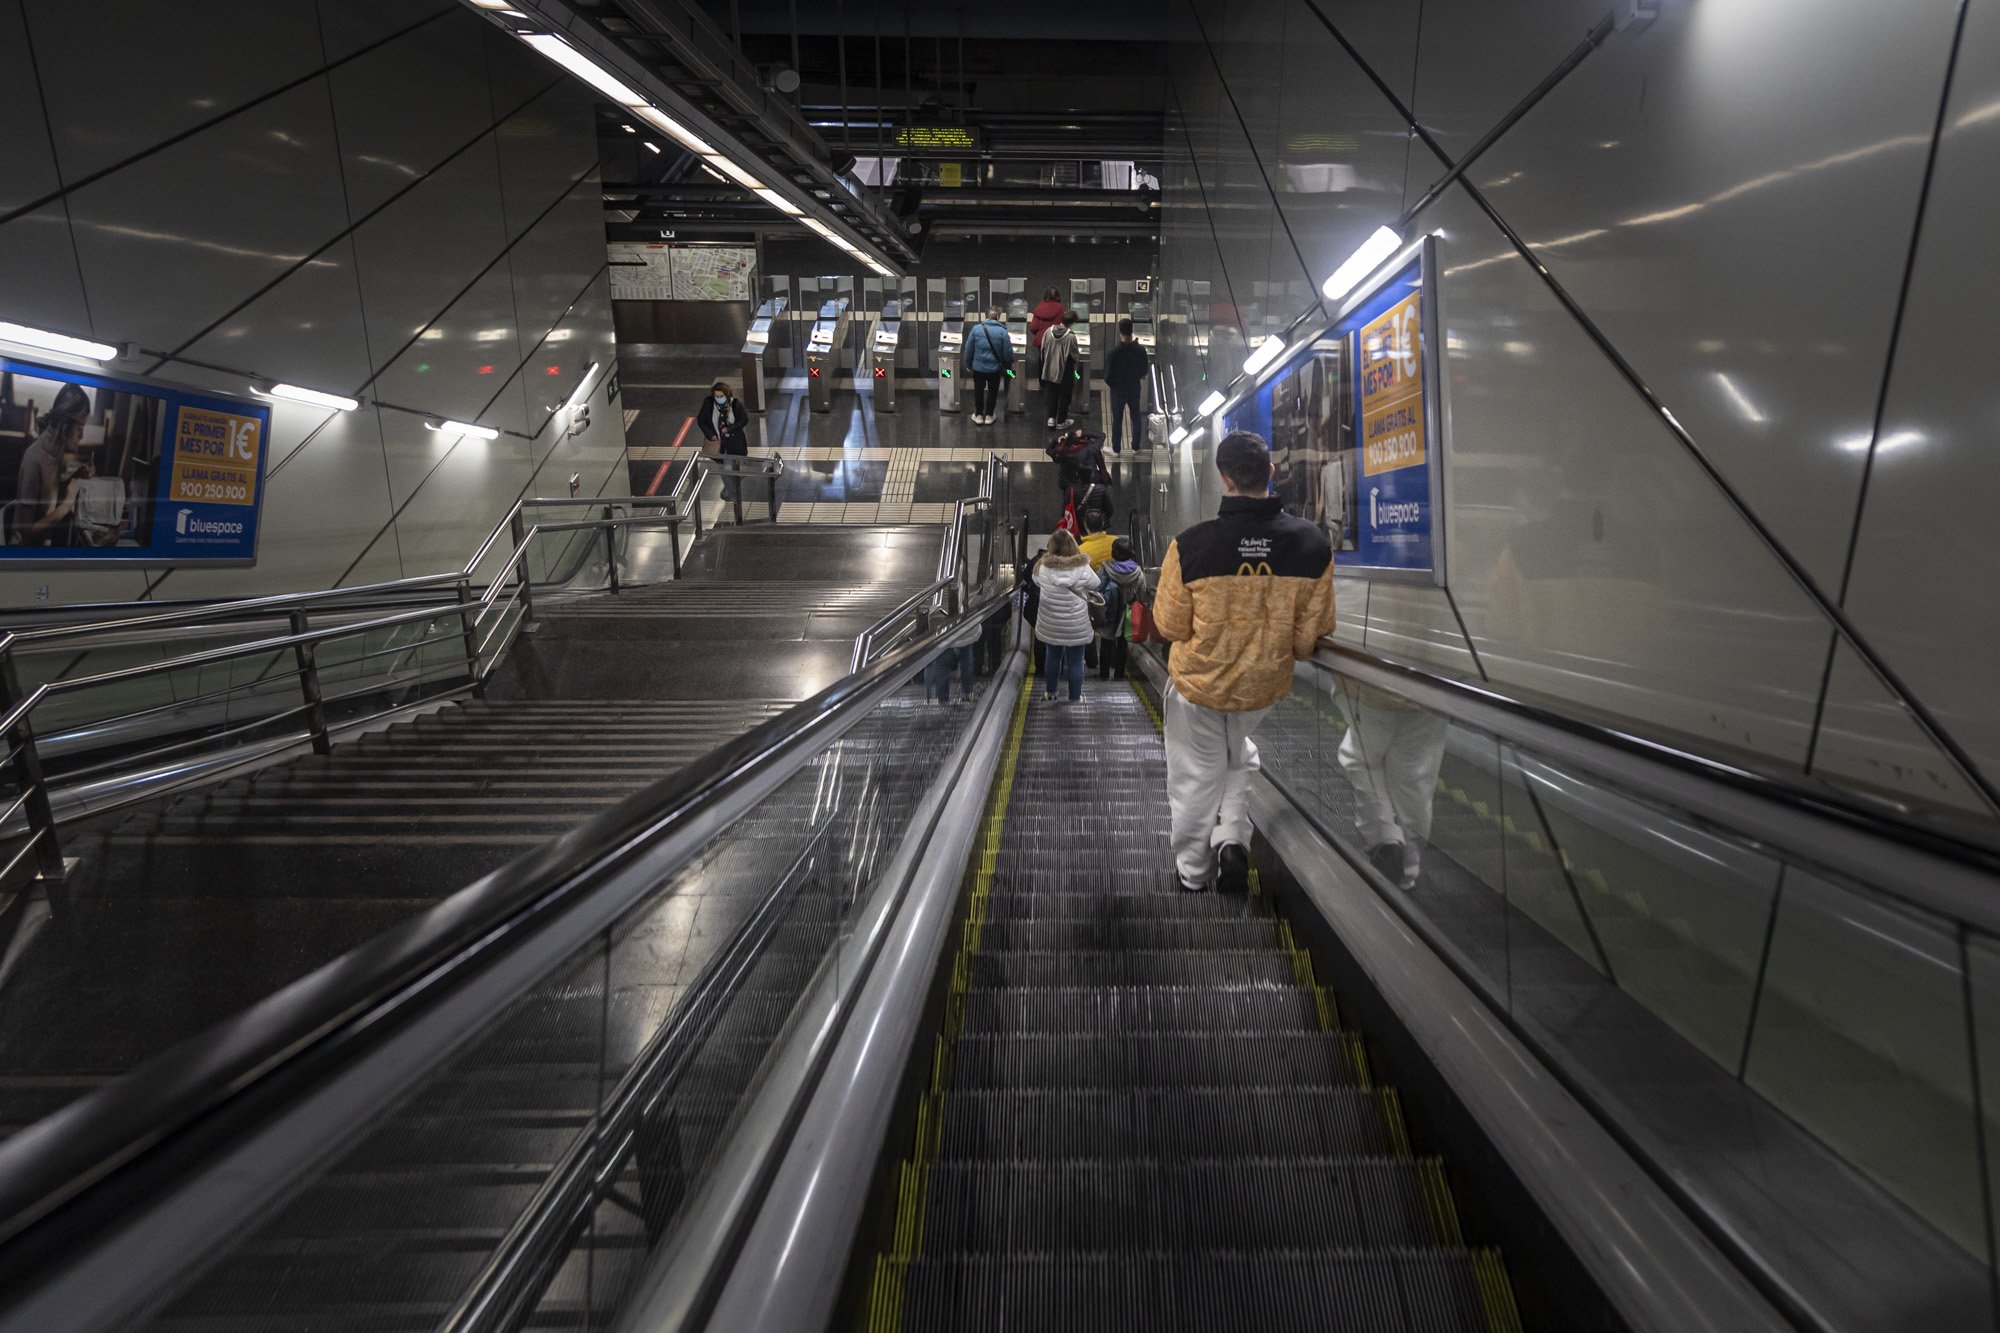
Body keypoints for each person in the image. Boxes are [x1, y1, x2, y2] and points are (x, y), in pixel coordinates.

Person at [1153, 431, 1335, 893]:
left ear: (1224, 478)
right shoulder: (1311, 544)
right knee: (1239, 758)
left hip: (1199, 688)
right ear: (1271, 474)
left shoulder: (1190, 546)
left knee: (1196, 776)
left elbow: (1170, 626)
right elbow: (1309, 637)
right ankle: (1231, 836)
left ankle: (1194, 872)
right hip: (1261, 688)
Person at [1335, 681, 1450, 889]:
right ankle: (1407, 868)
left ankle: (1384, 841)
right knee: (1415, 781)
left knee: (1364, 762)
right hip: (1432, 693)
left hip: (1370, 685)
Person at [13, 383, 90, 546]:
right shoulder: (34, 458)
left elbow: (48, 498)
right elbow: (24, 533)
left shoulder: (57, 449)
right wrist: (66, 506)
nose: (81, 435)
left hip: (44, 543)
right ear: (65, 425)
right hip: (24, 552)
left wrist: (75, 477)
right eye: (80, 427)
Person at [1032, 529, 1098, 703]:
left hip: (1051, 623)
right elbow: (1096, 583)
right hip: (1076, 624)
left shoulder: (1043, 567)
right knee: (1076, 661)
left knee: (1052, 657)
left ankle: (1051, 693)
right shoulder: (1083, 567)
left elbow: (1035, 581)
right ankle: (1075, 698)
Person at [1096, 536, 1147, 680]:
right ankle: (1119, 674)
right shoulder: (1137, 572)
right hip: (1127, 611)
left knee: (1106, 642)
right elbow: (1142, 593)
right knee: (1122, 643)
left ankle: (1104, 675)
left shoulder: (1105, 568)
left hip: (1108, 610)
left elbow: (1097, 587)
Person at [697, 380, 750, 499]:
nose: (719, 398)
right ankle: (732, 491)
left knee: (727, 469)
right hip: (718, 443)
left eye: (721, 396)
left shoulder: (735, 404)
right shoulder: (709, 403)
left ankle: (732, 491)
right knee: (724, 468)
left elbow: (743, 420)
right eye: (717, 396)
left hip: (734, 443)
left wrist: (730, 428)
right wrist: (710, 434)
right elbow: (701, 420)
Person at [1104, 316, 1149, 454]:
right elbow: (1144, 370)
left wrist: (1113, 384)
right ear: (1132, 331)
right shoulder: (1141, 350)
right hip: (1134, 387)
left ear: (1120, 332)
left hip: (1118, 390)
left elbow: (1108, 376)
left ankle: (1116, 449)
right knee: (1136, 417)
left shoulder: (1114, 353)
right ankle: (1136, 447)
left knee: (1117, 419)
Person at [964, 305, 1012, 426]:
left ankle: (979, 415)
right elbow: (1007, 351)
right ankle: (990, 415)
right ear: (998, 317)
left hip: (978, 368)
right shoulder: (1002, 331)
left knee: (978, 390)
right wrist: (1010, 362)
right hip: (994, 368)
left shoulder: (976, 329)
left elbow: (968, 349)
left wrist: (968, 364)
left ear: (986, 316)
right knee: (993, 391)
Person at [924, 618, 982, 704]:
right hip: (966, 627)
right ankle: (967, 693)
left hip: (941, 632)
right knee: (966, 659)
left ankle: (941, 698)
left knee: (940, 663)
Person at [1040, 311, 1079, 428]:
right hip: (1065, 370)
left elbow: (1043, 349)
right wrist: (1076, 370)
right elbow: (1074, 355)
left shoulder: (1048, 331)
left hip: (1050, 367)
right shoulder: (1071, 336)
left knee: (1052, 393)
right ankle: (1061, 421)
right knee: (1065, 395)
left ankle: (1051, 418)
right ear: (1071, 323)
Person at [1029, 286, 1066, 351]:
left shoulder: (1039, 308)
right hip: (1057, 340)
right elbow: (1064, 325)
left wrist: (1040, 333)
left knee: (1043, 359)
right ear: (1058, 296)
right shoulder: (1061, 308)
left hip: (1042, 340)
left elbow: (1033, 327)